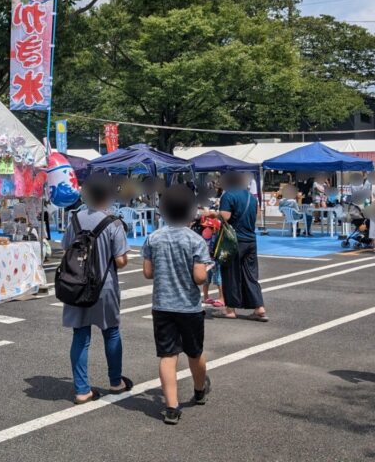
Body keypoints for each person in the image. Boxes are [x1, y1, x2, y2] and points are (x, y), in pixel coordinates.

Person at [143, 185, 212, 424]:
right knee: (195, 353)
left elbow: (147, 272)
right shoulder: (195, 241)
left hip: (162, 306)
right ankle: (200, 389)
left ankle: (171, 407)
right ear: (190, 211)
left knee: (167, 356)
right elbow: (200, 277)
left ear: (163, 211)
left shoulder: (153, 238)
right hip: (189, 307)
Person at [61, 173, 132, 404]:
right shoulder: (113, 222)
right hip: (105, 287)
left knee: (80, 335)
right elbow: (121, 261)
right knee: (111, 332)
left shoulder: (74, 219)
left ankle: (82, 390)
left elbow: (66, 248)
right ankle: (115, 381)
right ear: (109, 195)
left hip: (76, 285)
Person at [216, 171, 267, 321]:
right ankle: (259, 307)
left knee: (230, 274)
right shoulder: (251, 198)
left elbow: (225, 216)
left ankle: (230, 309)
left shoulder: (228, 196)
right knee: (250, 275)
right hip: (251, 240)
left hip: (234, 241)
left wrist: (212, 214)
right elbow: (255, 215)